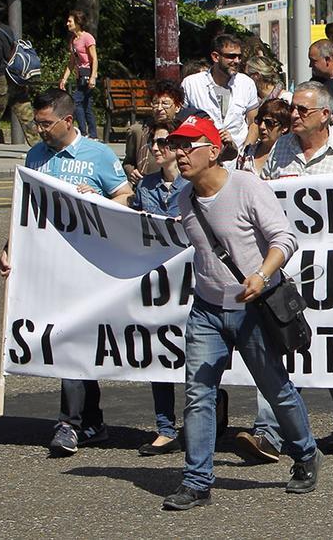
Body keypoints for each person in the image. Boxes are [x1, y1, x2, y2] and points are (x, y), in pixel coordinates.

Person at [161, 114, 322, 510]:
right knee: (198, 394)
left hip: (252, 309)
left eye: (189, 145)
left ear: (213, 151)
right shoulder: (184, 199)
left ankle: (305, 454)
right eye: (176, 145)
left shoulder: (247, 186)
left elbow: (284, 238)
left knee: (276, 389)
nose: (179, 153)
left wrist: (262, 275)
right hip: (207, 311)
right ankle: (197, 481)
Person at [1, 90, 132, 456]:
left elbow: (125, 195)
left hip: (87, 264)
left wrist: (99, 201)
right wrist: (9, 248)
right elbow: (24, 208)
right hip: (48, 263)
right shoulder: (36, 156)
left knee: (71, 338)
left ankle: (69, 424)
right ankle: (91, 423)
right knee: (68, 339)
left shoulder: (98, 155)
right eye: (37, 123)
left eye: (45, 123)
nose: (39, 130)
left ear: (68, 121)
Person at [253, 81, 333, 455]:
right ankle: (269, 432)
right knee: (281, 343)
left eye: (302, 110)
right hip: (288, 267)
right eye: (292, 109)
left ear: (325, 115)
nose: (294, 115)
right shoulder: (281, 149)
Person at [132, 120, 189, 457]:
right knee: (161, 353)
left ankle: (207, 422)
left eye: (163, 143)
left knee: (201, 358)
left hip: (193, 282)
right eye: (153, 143)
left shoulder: (192, 184)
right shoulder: (147, 187)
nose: (156, 149)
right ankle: (165, 428)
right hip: (158, 282)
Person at [181, 34, 260, 160]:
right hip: (203, 160)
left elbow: (254, 124)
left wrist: (245, 153)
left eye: (239, 56)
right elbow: (181, 120)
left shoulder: (246, 83)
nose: (237, 61)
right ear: (215, 57)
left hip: (237, 160)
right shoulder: (191, 84)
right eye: (231, 56)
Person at [0, 1, 38, 158]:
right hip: (16, 77)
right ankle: (40, 147)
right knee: (25, 113)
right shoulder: (7, 30)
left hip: (3, 78)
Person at [59, 9, 99, 139]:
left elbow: (94, 58)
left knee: (76, 102)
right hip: (79, 74)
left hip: (87, 73)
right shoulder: (73, 40)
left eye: (70, 21)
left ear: (78, 22)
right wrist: (64, 79)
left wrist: (93, 76)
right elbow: (71, 62)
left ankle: (83, 132)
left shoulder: (87, 38)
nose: (67, 23)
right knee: (86, 106)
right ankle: (93, 135)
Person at [235, 98, 291, 174]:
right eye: (259, 121)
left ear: (284, 127)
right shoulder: (247, 153)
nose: (262, 126)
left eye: (269, 123)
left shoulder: (290, 155)